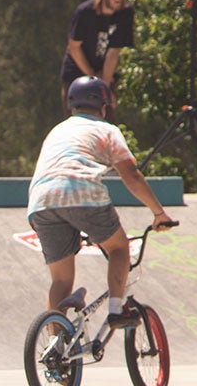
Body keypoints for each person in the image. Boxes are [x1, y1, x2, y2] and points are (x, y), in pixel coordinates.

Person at [28, 76, 177, 324]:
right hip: (81, 192)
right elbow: (131, 176)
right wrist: (159, 213)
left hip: (41, 200)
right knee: (119, 248)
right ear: (104, 107)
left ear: (71, 106)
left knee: (61, 281)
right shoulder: (107, 130)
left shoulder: (57, 130)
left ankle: (55, 353)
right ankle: (116, 310)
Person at [60, 0, 134, 112]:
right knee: (76, 120)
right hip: (77, 72)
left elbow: (114, 51)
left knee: (107, 119)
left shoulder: (125, 13)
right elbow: (74, 47)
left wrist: (104, 86)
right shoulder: (85, 12)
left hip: (104, 72)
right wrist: (93, 77)